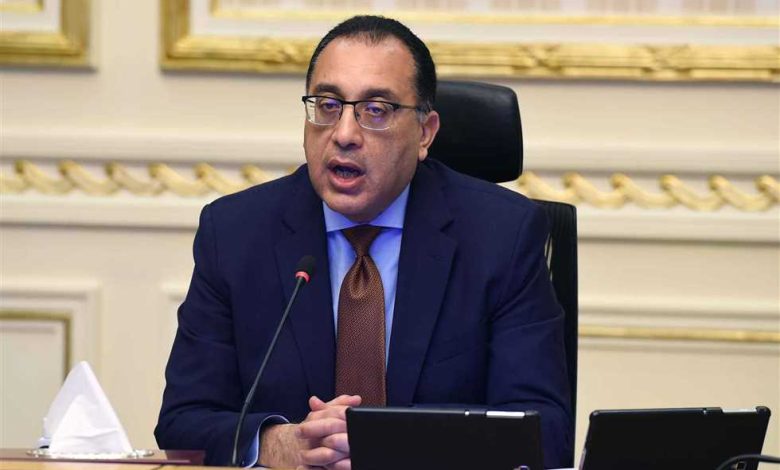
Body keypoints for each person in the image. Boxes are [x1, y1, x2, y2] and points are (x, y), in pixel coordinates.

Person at [155, 15, 572, 469]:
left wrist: (391, 445)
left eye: (376, 110)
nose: (344, 134)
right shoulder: (235, 233)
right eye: (328, 105)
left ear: (425, 133)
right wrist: (280, 444)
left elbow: (545, 430)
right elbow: (183, 423)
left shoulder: (502, 236)